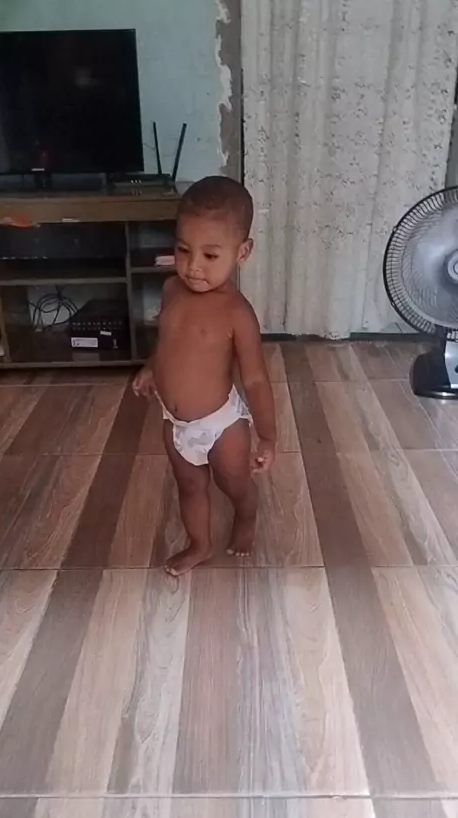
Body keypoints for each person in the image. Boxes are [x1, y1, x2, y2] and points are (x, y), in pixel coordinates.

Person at [133, 175, 276, 575]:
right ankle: (200, 544)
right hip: (174, 422)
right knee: (190, 486)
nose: (193, 266)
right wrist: (150, 367)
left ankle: (246, 512)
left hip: (221, 426)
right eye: (183, 250)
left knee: (234, 482)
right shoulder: (170, 290)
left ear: (242, 252)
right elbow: (168, 340)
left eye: (210, 256)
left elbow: (255, 380)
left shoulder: (237, 314)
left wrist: (268, 436)